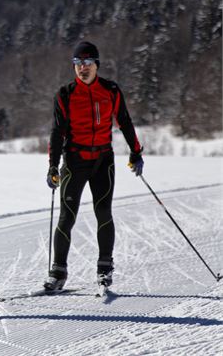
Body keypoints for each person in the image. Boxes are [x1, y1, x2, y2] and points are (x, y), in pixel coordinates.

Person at [45, 41, 143, 291]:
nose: (82, 68)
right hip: (75, 161)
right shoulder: (65, 94)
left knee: (104, 213)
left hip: (102, 161)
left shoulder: (110, 90)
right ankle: (58, 272)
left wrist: (136, 152)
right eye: (77, 64)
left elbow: (125, 121)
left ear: (97, 65)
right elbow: (57, 133)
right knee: (67, 216)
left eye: (87, 63)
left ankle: (104, 269)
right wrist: (53, 166)